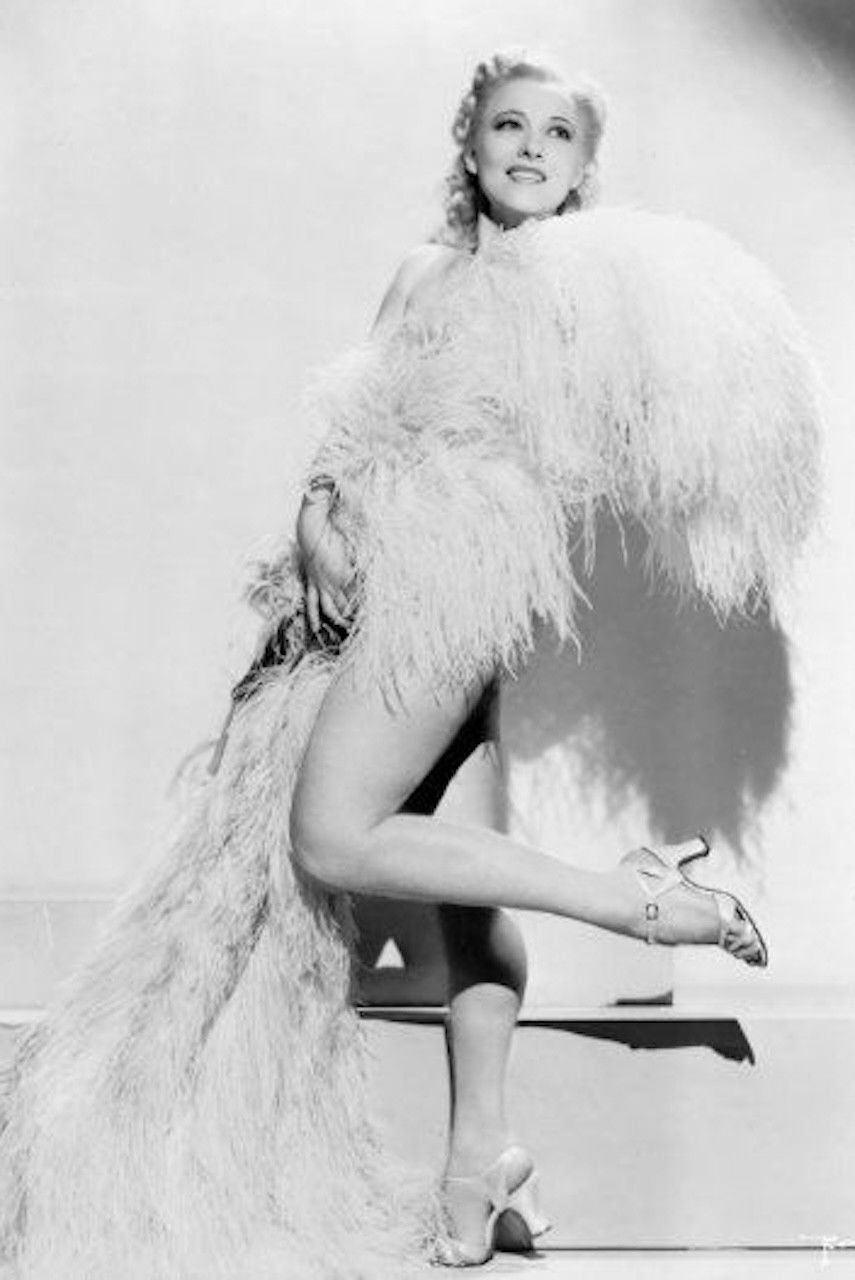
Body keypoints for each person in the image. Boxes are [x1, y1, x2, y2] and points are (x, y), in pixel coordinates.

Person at [0, 49, 820, 1280]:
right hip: (380, 580)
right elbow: (351, 429)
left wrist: (430, 526)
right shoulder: (422, 273)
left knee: (332, 837)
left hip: (454, 584)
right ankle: (481, 1159)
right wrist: (319, 520)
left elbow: (564, 452)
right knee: (462, 898)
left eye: (558, 134)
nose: (531, 148)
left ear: (586, 170)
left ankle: (634, 897)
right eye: (510, 125)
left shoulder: (582, 291)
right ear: (470, 144)